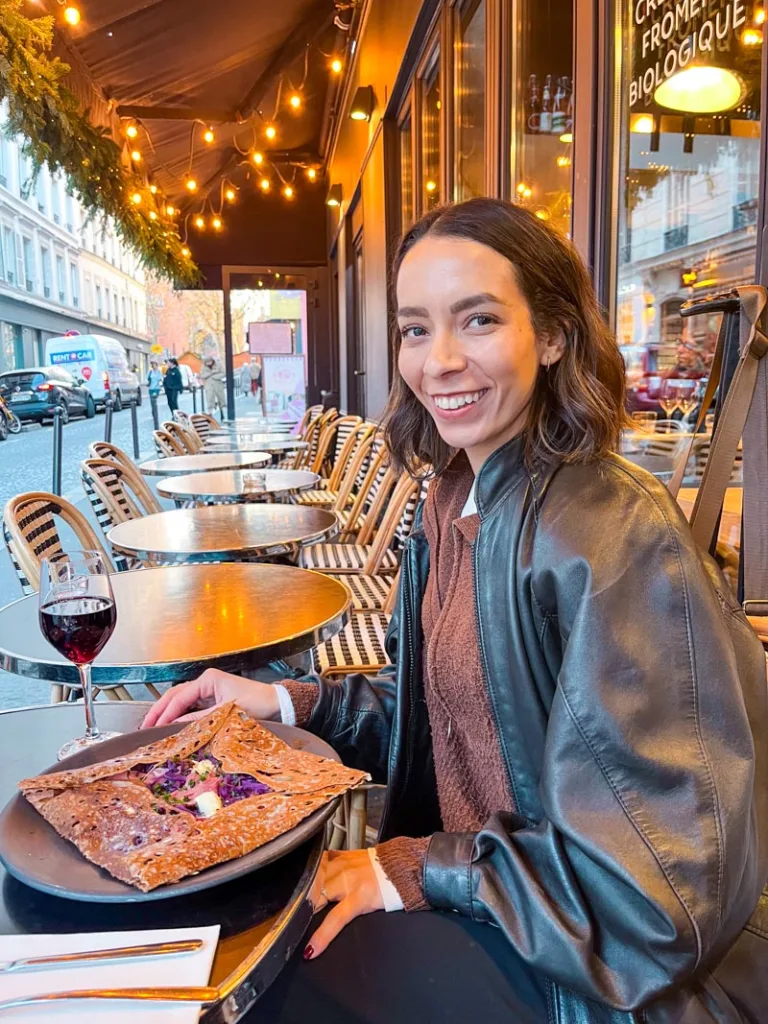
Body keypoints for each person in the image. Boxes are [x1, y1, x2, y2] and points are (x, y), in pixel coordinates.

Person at [143, 198, 768, 1023]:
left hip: (598, 980)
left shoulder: (615, 536)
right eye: (414, 328)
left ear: (551, 336)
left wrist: (417, 870)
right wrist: (290, 702)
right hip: (498, 909)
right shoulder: (455, 499)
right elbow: (459, 711)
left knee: (263, 990)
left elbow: (659, 893)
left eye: (476, 320)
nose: (438, 361)